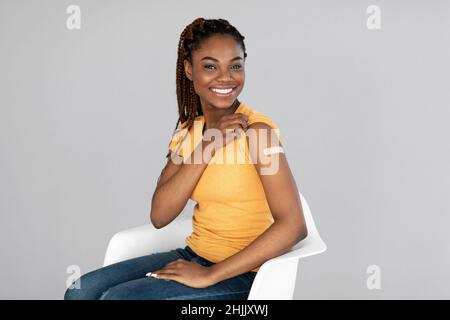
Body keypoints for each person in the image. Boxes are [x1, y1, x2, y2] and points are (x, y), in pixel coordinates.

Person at [64, 17, 307, 300]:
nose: (225, 77)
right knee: (79, 293)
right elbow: (160, 215)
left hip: (249, 274)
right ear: (190, 70)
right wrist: (208, 144)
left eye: (235, 65)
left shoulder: (258, 134)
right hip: (195, 255)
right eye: (210, 66)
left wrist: (209, 275)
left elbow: (293, 226)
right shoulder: (188, 131)